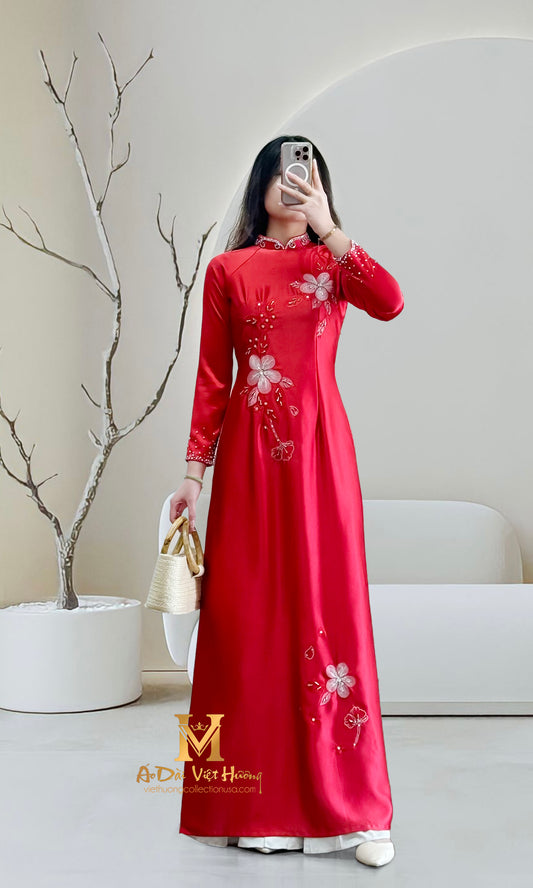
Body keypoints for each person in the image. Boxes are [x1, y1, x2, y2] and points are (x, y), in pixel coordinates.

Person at [170, 135, 404, 867]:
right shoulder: (227, 271)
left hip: (323, 456)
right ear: (259, 186)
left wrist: (331, 229)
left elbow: (391, 302)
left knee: (331, 615)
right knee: (240, 621)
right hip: (247, 461)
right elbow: (212, 378)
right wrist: (192, 476)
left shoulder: (334, 263)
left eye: (304, 172)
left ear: (320, 185)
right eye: (279, 171)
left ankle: (359, 812)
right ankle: (240, 806)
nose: (291, 182)